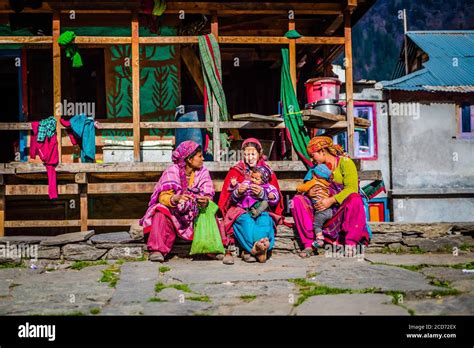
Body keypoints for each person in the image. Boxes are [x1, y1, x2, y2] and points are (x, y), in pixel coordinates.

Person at [139, 140, 223, 262]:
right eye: (199, 156)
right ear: (189, 159)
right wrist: (175, 198)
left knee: (210, 209)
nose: (203, 159)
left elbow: (207, 193)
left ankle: (212, 249)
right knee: (160, 211)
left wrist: (204, 201)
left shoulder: (203, 172)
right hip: (175, 213)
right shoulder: (172, 171)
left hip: (194, 212)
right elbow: (163, 197)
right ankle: (157, 250)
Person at [291, 136, 370, 258]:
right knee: (297, 201)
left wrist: (331, 200)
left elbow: (352, 189)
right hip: (321, 215)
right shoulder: (315, 169)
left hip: (340, 211)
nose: (312, 159)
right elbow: (304, 187)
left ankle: (350, 244)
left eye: (313, 155)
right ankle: (309, 244)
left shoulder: (345, 163)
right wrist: (309, 193)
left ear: (323, 151)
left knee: (355, 198)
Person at [218, 138, 284, 264]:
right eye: (246, 154)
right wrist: (238, 192)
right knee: (245, 221)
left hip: (262, 209)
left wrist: (262, 194)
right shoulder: (236, 171)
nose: (249, 158)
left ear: (260, 153)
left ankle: (251, 250)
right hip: (241, 209)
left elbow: (275, 196)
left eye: (253, 154)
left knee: (264, 221)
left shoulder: (266, 172)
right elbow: (227, 197)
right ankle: (259, 249)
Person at [296, 163, 333, 249]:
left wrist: (298, 188)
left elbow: (302, 188)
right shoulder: (327, 183)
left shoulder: (314, 181)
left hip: (321, 211)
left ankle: (319, 240)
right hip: (329, 210)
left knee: (317, 225)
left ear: (315, 175)